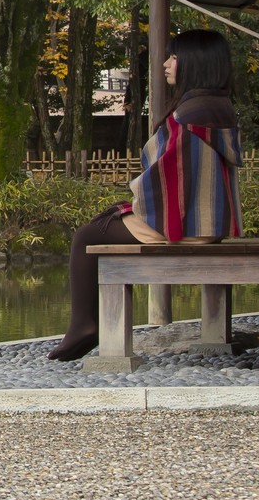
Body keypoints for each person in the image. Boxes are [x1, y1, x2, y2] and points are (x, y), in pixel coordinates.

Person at [47, 28, 244, 361]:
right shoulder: (218, 108)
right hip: (211, 224)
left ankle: (84, 326)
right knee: (104, 227)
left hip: (185, 228)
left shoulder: (187, 115)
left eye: (174, 57)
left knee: (87, 235)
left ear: (194, 63)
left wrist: (132, 203)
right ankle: (85, 326)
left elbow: (165, 176)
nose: (166, 64)